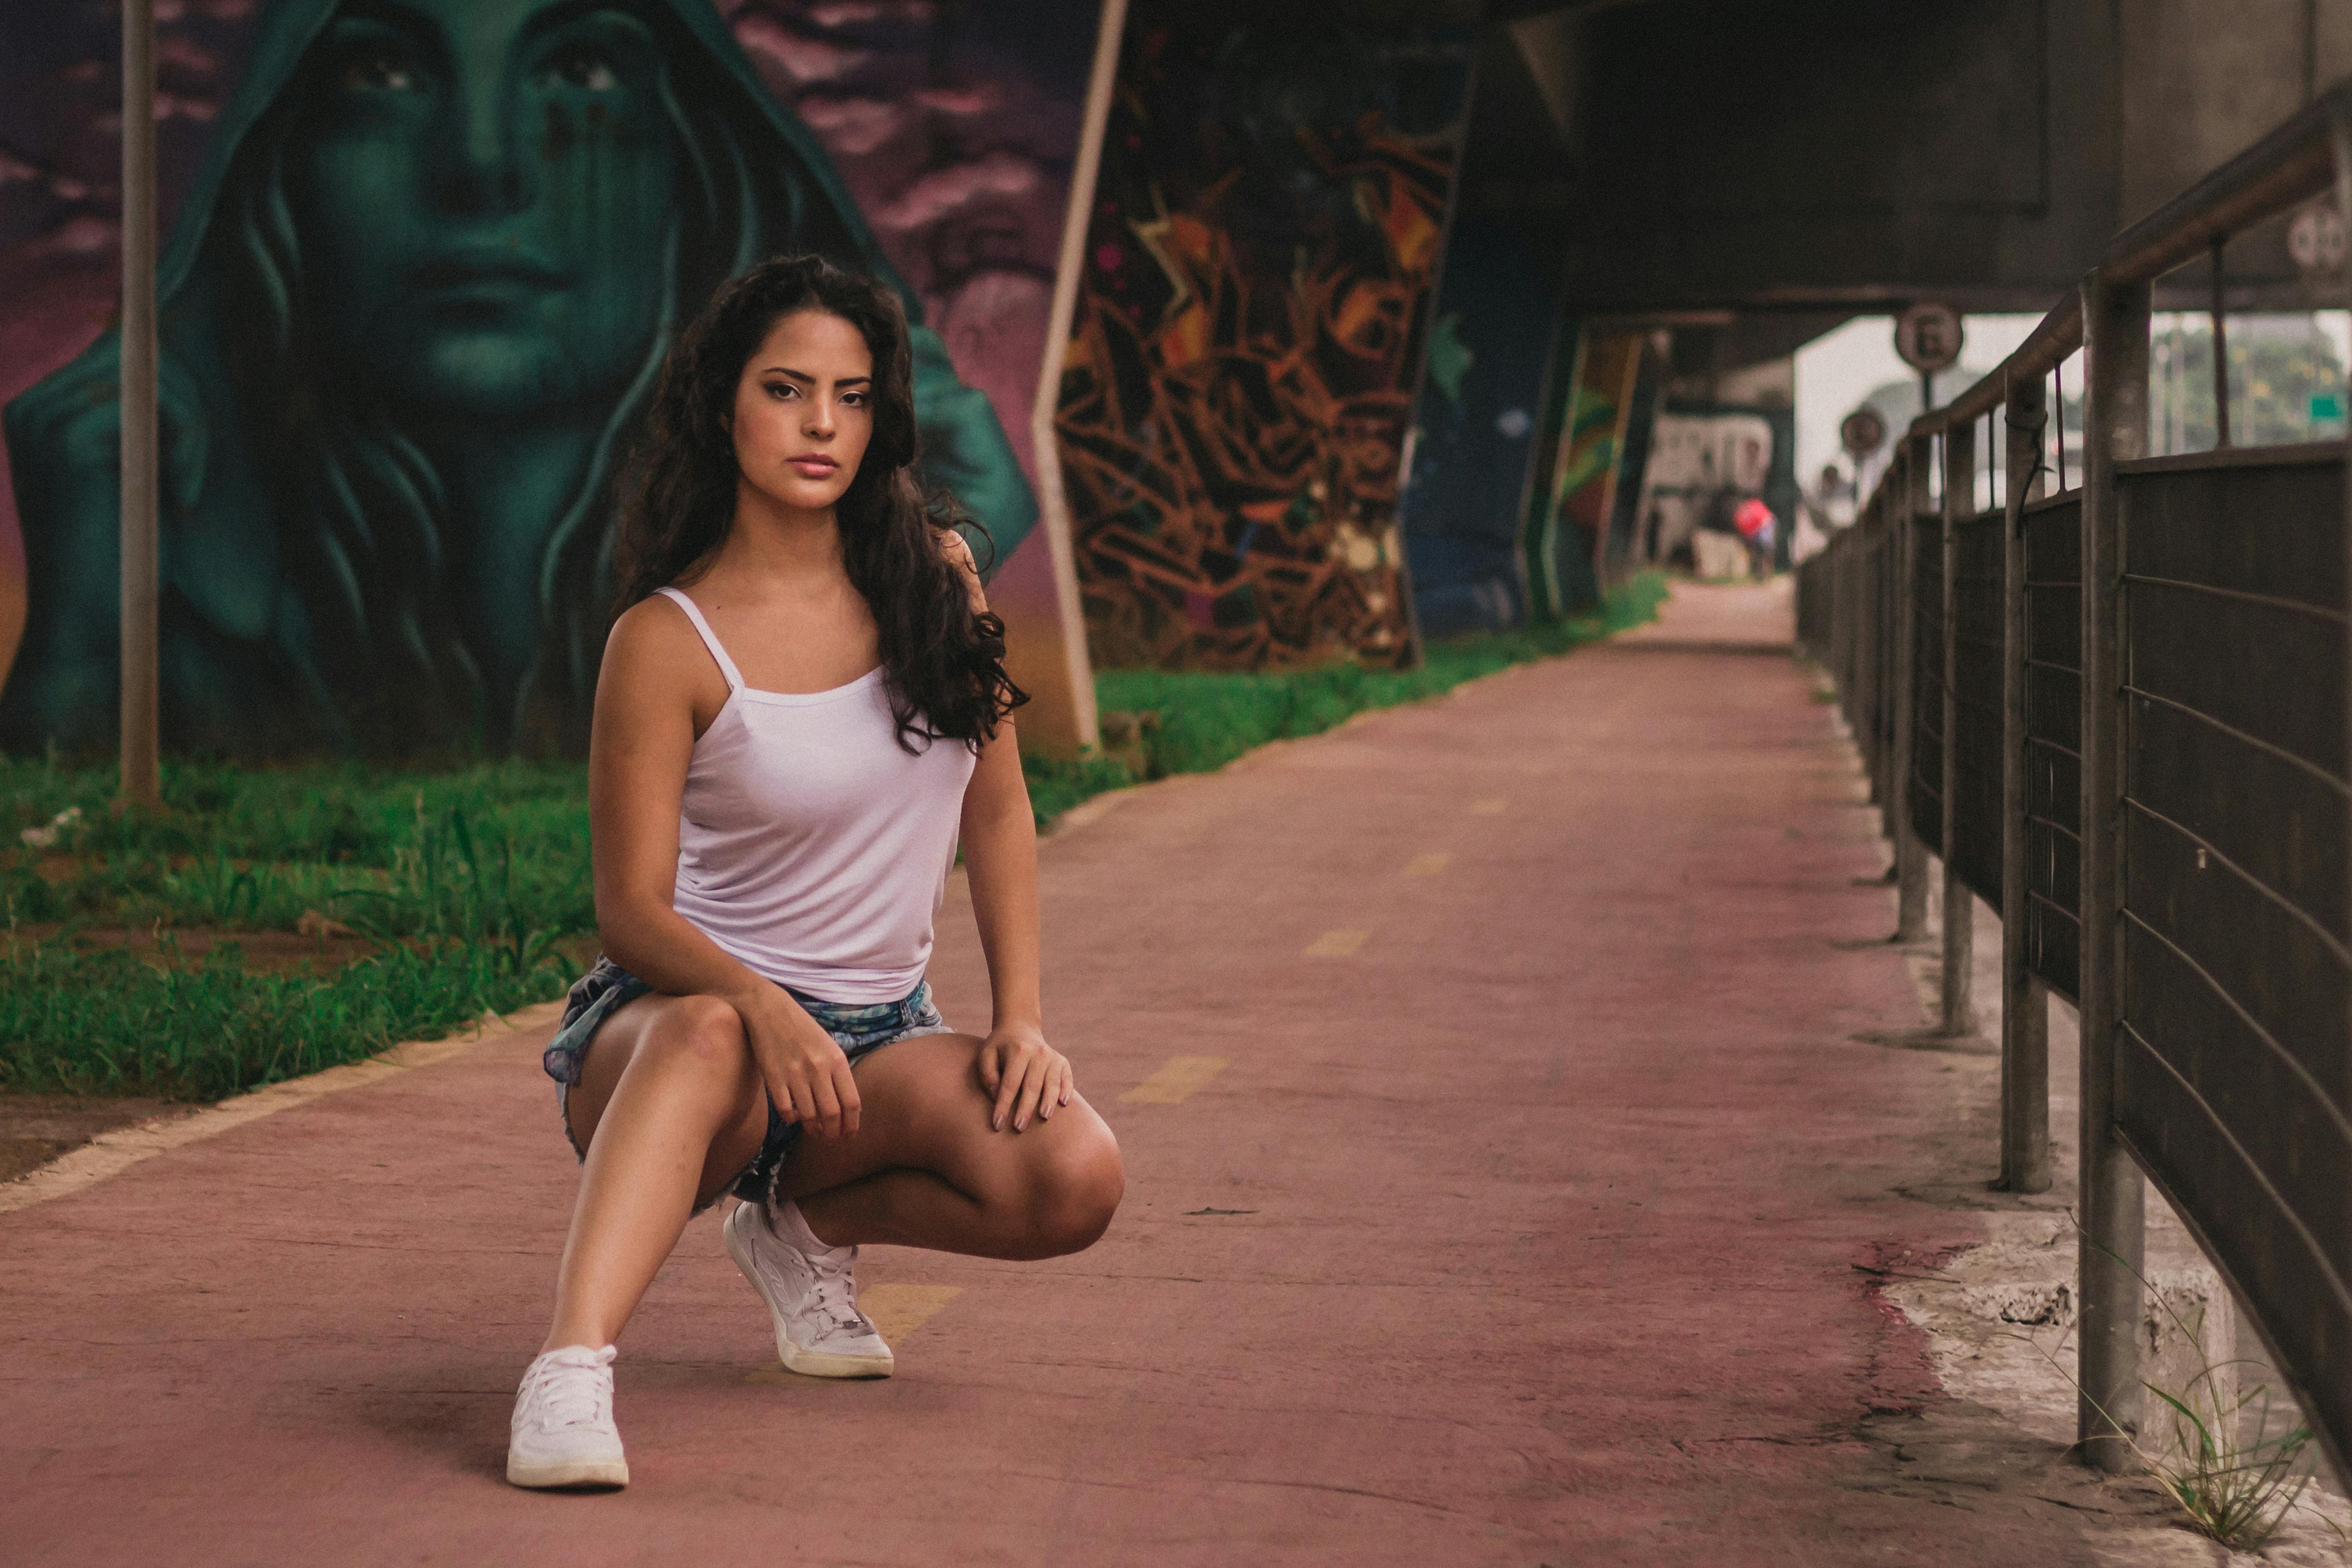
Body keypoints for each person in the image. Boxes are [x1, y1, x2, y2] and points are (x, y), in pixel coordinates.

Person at [1, 0, 1034, 759]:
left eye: (580, 68)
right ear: (281, 165)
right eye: (386, 74)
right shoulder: (210, 637)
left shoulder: (754, 593)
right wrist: (85, 646)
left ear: (697, 165)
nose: (484, 167)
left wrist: (928, 560)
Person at [508, 254, 1122, 1491]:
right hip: (676, 1033)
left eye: (849, 396)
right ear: (724, 405)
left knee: (1073, 1176)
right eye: (787, 390)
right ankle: (568, 1371)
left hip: (875, 1045)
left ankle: (801, 1225)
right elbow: (629, 909)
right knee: (706, 1043)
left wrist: (1021, 1020)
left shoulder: (935, 583)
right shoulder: (665, 637)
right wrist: (760, 1005)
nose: (820, 425)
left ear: (880, 415)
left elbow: (996, 815)